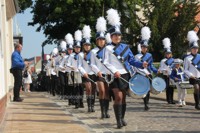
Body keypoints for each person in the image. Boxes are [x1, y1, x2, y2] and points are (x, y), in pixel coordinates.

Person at [104, 9, 147, 129]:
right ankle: (118, 121)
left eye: (118, 35)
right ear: (111, 36)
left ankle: (122, 118)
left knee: (123, 98)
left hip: (125, 74)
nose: (117, 37)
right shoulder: (107, 49)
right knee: (117, 97)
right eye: (115, 35)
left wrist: (141, 64)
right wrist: (114, 71)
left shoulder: (125, 47)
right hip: (114, 75)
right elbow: (106, 62)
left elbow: (132, 60)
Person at [90, 17, 110, 118]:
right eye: (100, 39)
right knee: (101, 91)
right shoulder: (93, 51)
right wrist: (97, 71)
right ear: (97, 41)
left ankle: (106, 111)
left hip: (108, 74)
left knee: (107, 93)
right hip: (99, 74)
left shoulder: (108, 50)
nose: (101, 41)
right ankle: (102, 111)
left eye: (103, 39)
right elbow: (92, 64)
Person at [135, 26, 158, 111]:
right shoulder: (137, 56)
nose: (145, 48)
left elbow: (151, 65)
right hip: (141, 74)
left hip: (149, 74)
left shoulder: (149, 55)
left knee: (148, 89)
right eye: (143, 47)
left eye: (146, 47)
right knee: (144, 89)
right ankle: (145, 103)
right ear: (141, 47)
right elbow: (136, 67)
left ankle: (146, 103)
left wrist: (156, 71)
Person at [78, 25, 96, 112]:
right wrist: (83, 72)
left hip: (93, 74)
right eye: (86, 45)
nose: (87, 46)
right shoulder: (80, 55)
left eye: (89, 45)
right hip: (86, 74)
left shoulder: (93, 53)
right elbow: (79, 66)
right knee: (88, 89)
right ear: (83, 46)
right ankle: (89, 106)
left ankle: (92, 105)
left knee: (93, 90)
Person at [66, 30, 84, 109]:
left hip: (82, 73)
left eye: (79, 47)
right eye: (76, 47)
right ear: (74, 48)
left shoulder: (83, 54)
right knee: (76, 89)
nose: (78, 49)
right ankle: (77, 102)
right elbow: (68, 64)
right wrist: (71, 67)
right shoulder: (71, 55)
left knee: (81, 89)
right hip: (75, 73)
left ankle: (81, 102)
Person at [184, 30, 200, 110]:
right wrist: (191, 75)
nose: (195, 49)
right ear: (191, 49)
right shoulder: (187, 58)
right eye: (193, 48)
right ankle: (197, 104)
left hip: (199, 76)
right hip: (193, 77)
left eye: (196, 48)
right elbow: (185, 70)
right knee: (196, 88)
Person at [159, 38, 175, 104]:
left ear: (171, 54)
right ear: (165, 54)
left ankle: (172, 99)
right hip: (166, 75)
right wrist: (164, 70)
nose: (168, 55)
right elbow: (160, 68)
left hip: (172, 76)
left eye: (169, 54)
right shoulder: (163, 61)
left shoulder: (173, 60)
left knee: (172, 88)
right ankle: (168, 100)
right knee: (168, 88)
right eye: (167, 54)